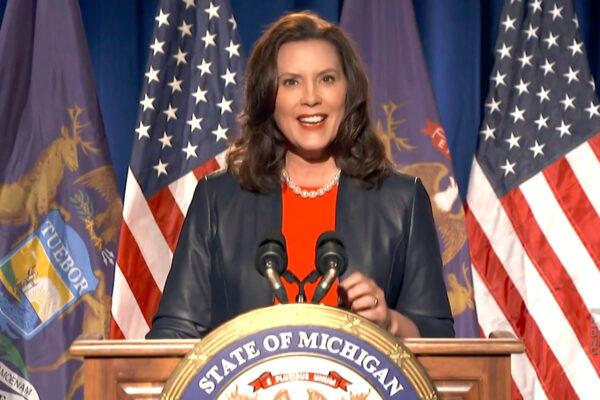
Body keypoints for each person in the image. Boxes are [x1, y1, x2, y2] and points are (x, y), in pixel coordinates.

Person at [146, 12, 454, 339]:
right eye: (291, 82)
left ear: (349, 92)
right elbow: (174, 335)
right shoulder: (218, 199)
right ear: (268, 96)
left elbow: (439, 339)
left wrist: (389, 323)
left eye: (327, 79)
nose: (310, 98)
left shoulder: (401, 200)